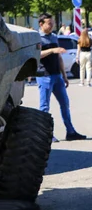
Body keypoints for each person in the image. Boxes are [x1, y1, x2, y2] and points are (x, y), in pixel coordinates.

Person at [37, 13, 86, 141]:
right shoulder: (37, 38)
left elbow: (59, 57)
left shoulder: (53, 37)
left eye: (52, 22)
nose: (52, 25)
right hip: (44, 76)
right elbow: (37, 55)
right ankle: (45, 135)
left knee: (65, 103)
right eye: (49, 23)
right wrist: (52, 50)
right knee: (44, 107)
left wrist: (64, 75)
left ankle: (70, 132)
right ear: (41, 24)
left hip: (57, 76)